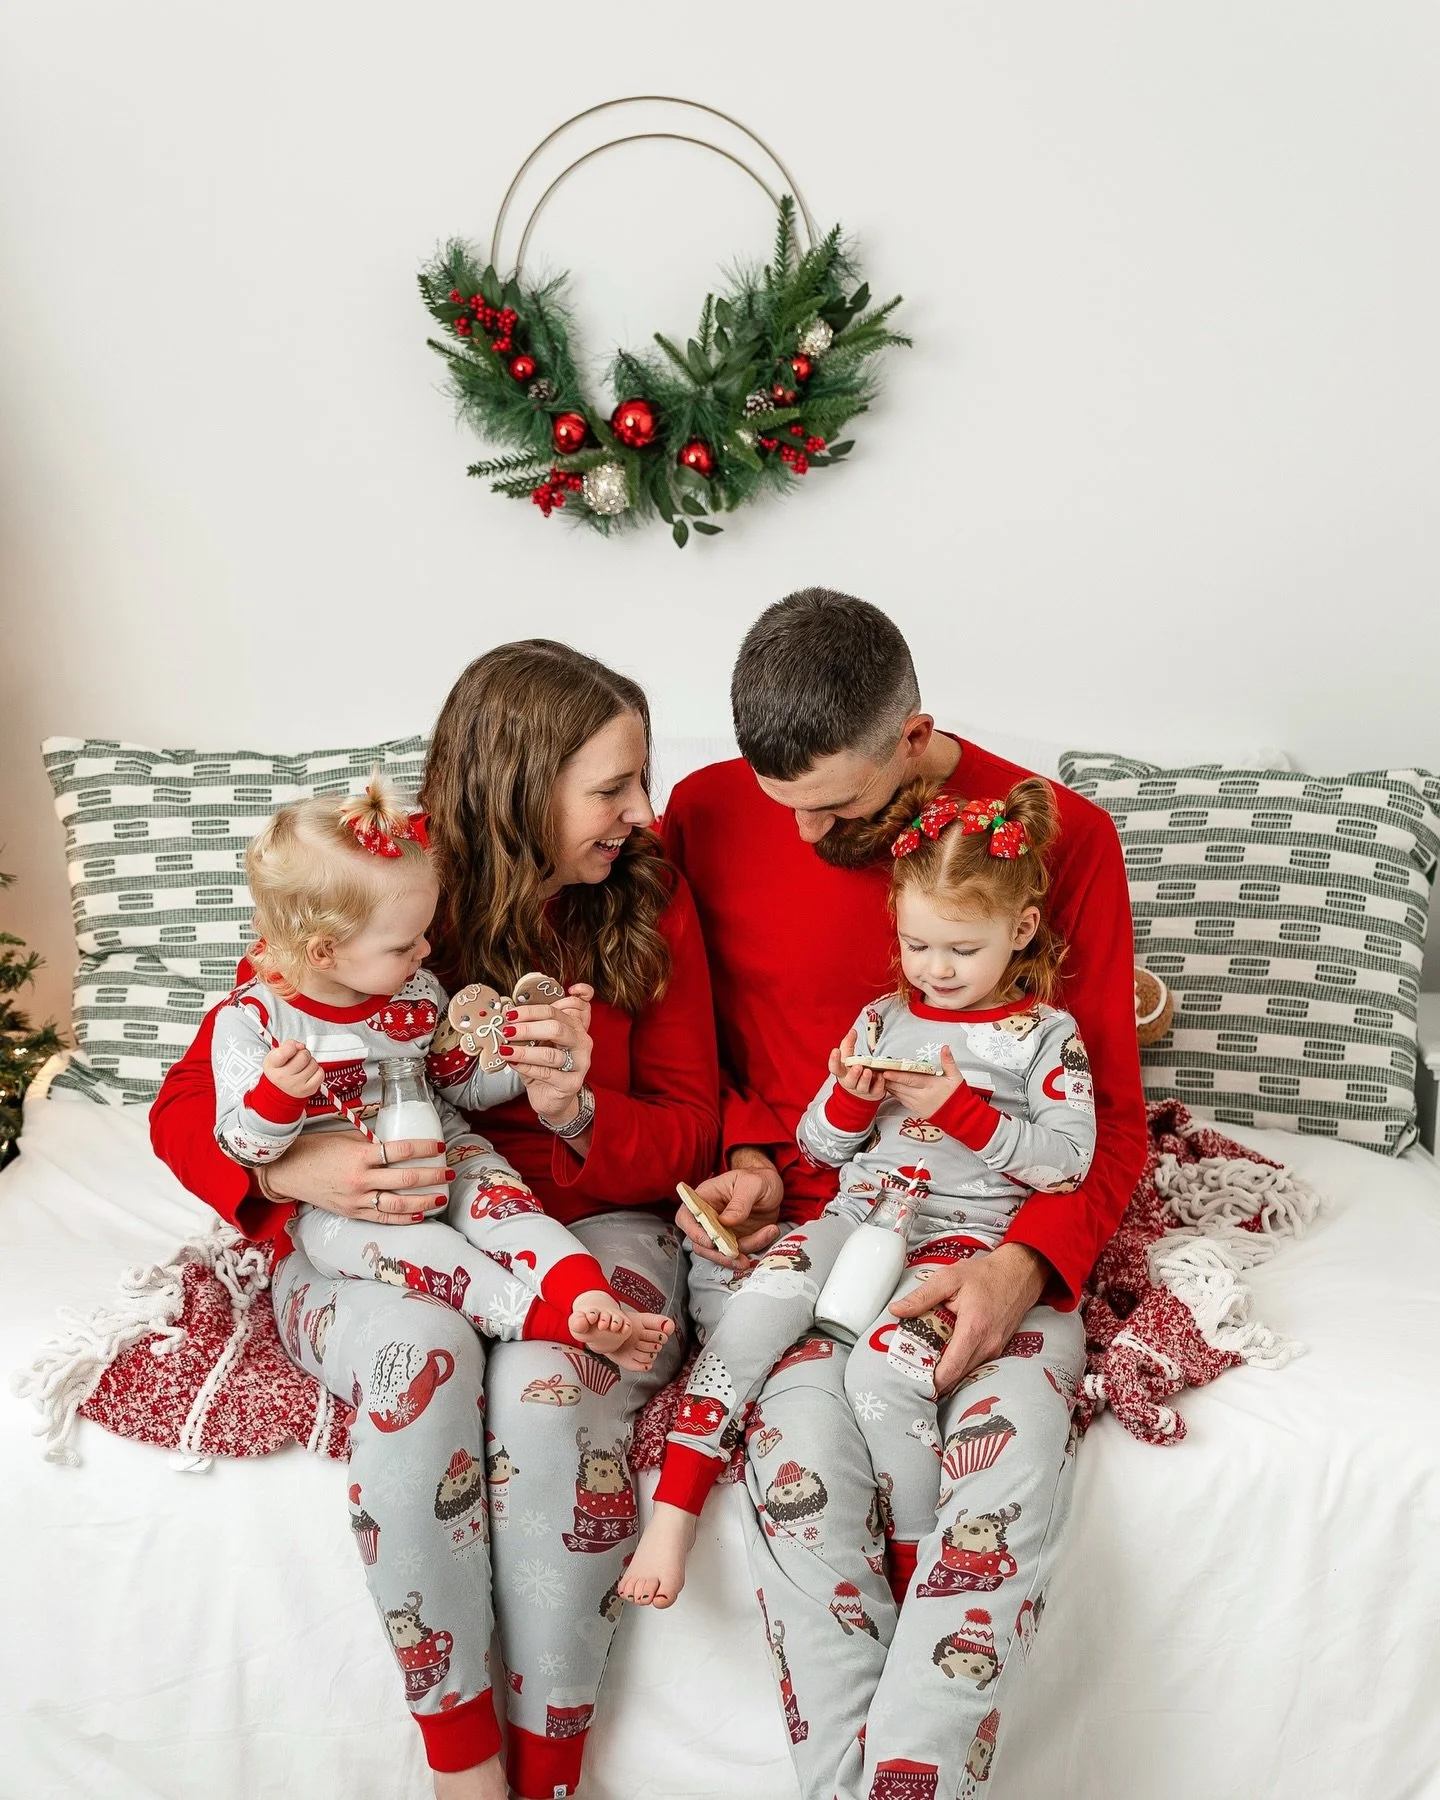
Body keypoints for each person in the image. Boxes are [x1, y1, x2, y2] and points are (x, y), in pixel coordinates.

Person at [149, 641, 719, 1800]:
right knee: (422, 1357)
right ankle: (462, 1770)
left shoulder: (648, 894)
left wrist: (579, 1109)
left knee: (546, 1391)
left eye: (640, 779)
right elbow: (191, 1104)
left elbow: (694, 1129)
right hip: (377, 1238)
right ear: (521, 784)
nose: (640, 811)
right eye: (611, 787)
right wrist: (301, 1171)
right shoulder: (385, 884)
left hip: (579, 1226)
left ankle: (550, 1773)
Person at [661, 590, 1147, 1800]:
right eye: (789, 807)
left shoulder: (1062, 837)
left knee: (1005, 1478)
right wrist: (759, 1152)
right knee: (797, 1481)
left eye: (841, 805)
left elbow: (1107, 1122)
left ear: (916, 735)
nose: (811, 830)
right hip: (827, 1231)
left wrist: (1017, 1269)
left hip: (995, 1224)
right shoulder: (707, 813)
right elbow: (695, 1045)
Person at [623, 777, 1095, 1608]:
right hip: (859, 1213)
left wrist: (962, 1114)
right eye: (917, 946)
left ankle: (913, 1560)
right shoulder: (885, 1018)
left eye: (961, 950)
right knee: (757, 1309)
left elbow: (1066, 1162)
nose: (935, 971)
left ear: (1020, 932)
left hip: (962, 1239)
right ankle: (675, 1508)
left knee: (883, 1373)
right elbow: (818, 1147)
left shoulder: (1044, 1036)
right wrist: (851, 1095)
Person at [211, 775, 670, 1367]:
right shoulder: (254, 1020)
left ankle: (588, 1296)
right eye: (405, 945)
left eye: (424, 934)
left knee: (509, 1207)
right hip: (344, 1204)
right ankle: (555, 1326)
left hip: (446, 1146)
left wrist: (528, 1054)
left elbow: (460, 1085)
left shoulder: (417, 991)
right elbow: (238, 1143)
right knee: (433, 1253)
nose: (427, 952)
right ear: (324, 951)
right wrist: (277, 1098)